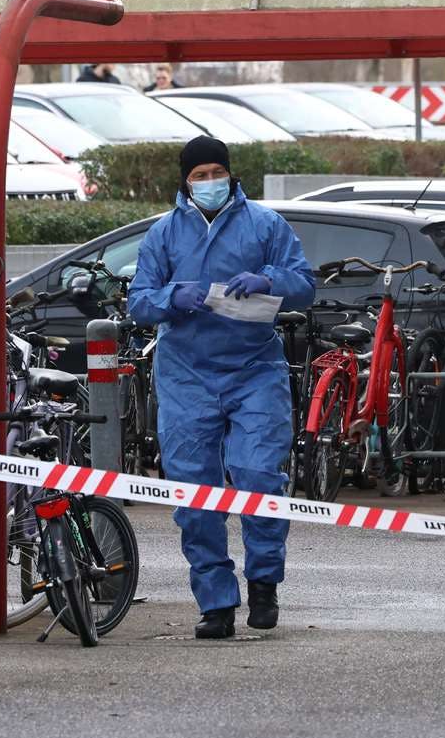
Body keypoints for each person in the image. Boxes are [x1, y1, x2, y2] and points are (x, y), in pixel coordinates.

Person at [128, 136, 315, 639]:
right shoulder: (163, 233)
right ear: (185, 181)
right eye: (199, 175)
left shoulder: (266, 224)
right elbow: (139, 301)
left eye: (216, 171)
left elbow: (304, 283)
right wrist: (173, 296)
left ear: (230, 174)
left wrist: (269, 279)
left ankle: (264, 582)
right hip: (185, 375)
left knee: (259, 475)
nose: (209, 181)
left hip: (255, 368)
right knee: (194, 493)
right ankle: (215, 602)